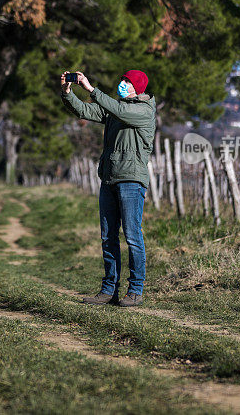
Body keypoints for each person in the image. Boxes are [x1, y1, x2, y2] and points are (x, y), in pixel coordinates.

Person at [59, 70, 156, 307]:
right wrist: (68, 92)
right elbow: (85, 111)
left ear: (137, 88)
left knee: (132, 236)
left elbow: (121, 111)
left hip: (131, 180)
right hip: (110, 178)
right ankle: (108, 290)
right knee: (108, 236)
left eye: (127, 82)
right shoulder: (115, 109)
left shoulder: (143, 111)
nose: (121, 84)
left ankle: (135, 291)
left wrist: (91, 89)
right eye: (122, 80)